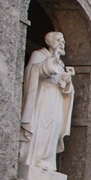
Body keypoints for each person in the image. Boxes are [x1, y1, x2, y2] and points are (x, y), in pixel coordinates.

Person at [18, 31, 75, 172]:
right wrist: (52, 60)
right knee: (40, 127)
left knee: (53, 130)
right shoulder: (39, 55)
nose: (62, 43)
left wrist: (66, 83)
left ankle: (47, 162)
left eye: (63, 42)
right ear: (49, 42)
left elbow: (67, 91)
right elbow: (32, 72)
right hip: (42, 98)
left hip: (56, 100)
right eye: (59, 40)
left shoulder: (61, 65)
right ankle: (33, 159)